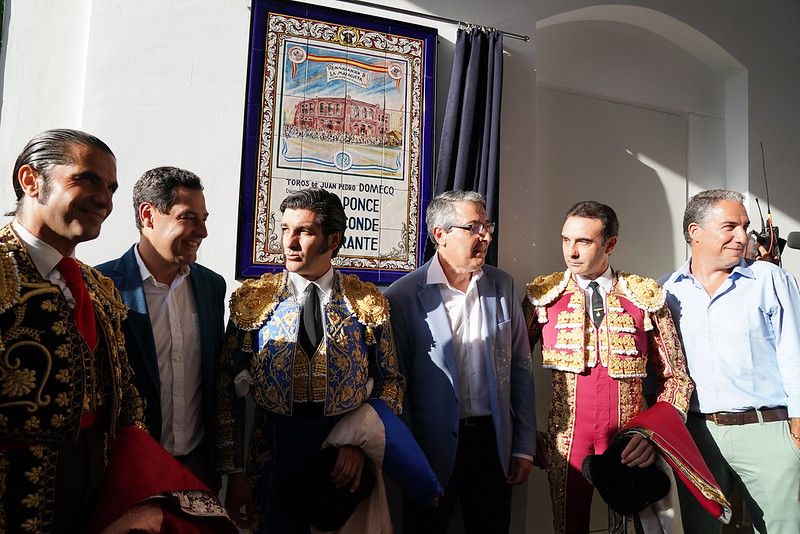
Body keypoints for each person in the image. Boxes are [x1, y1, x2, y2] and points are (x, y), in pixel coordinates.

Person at [0, 129, 231, 532]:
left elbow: (125, 408)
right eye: (86, 179)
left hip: (97, 509)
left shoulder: (96, 289)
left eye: (111, 186)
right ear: (30, 180)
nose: (105, 199)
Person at [216, 188, 403, 533]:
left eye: (303, 231)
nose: (289, 241)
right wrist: (235, 475)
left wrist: (359, 444)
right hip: (271, 450)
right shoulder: (254, 300)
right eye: (285, 229)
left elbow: (391, 382)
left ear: (333, 240)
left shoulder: (366, 301)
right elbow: (226, 391)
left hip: (343, 452)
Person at [523, 200, 692, 533]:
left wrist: (652, 435)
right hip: (565, 440)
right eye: (565, 239)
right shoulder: (543, 296)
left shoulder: (644, 296)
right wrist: (522, 431)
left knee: (631, 527)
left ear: (610, 244)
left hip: (630, 441)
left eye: (583, 241)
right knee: (568, 526)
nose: (571, 251)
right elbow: (510, 371)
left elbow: (677, 379)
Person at [385, 190, 536, 534]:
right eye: (474, 227)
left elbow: (521, 369)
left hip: (492, 442)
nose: (485, 235)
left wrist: (524, 446)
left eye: (487, 226)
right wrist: (407, 456)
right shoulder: (402, 296)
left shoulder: (503, 286)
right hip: (429, 447)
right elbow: (395, 386)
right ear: (440, 234)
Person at [661, 189, 800, 534]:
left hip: (768, 432)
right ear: (695, 232)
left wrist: (797, 430)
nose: (742, 237)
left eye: (745, 227)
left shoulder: (772, 280)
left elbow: (795, 354)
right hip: (695, 436)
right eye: (730, 227)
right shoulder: (666, 291)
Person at [97, 166, 225, 489]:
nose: (203, 232)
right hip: (127, 474)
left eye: (204, 219)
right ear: (149, 215)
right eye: (189, 218)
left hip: (197, 471)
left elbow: (219, 382)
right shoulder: (102, 287)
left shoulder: (212, 287)